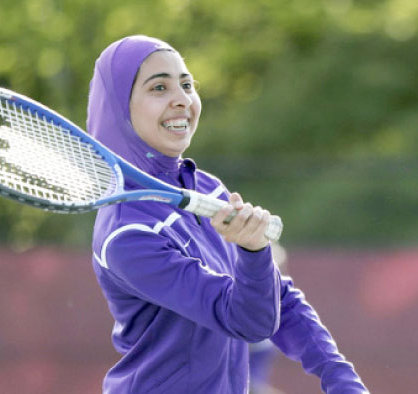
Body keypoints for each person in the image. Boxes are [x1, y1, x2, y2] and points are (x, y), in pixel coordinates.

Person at [87, 35, 368, 394]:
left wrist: (339, 378)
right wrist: (253, 252)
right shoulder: (127, 234)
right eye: (159, 87)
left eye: (187, 85)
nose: (182, 100)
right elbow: (247, 321)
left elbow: (278, 298)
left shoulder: (207, 188)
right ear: (119, 109)